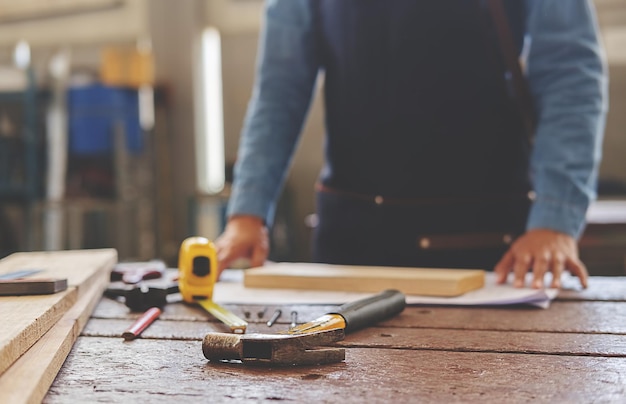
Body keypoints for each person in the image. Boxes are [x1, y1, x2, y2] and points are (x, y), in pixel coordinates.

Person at [215, 0, 608, 290]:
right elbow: (280, 88)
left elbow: (570, 76)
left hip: (490, 253)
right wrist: (247, 213)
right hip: (352, 246)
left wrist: (555, 220)